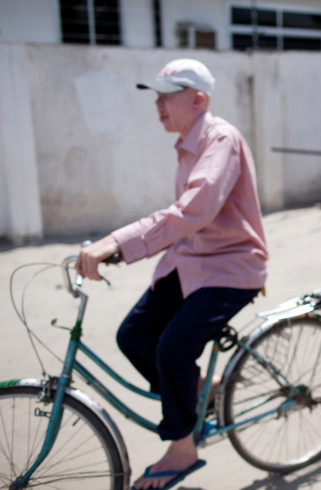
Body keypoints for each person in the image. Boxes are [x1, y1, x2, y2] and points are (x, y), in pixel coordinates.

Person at [75, 58, 268, 490]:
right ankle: (203, 387)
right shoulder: (187, 143)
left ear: (198, 99)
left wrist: (118, 242)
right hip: (190, 262)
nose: (158, 104)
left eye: (168, 95)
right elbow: (185, 223)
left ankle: (182, 447)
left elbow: (192, 212)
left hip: (231, 266)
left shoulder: (220, 139)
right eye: (156, 96)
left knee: (172, 348)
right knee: (134, 337)